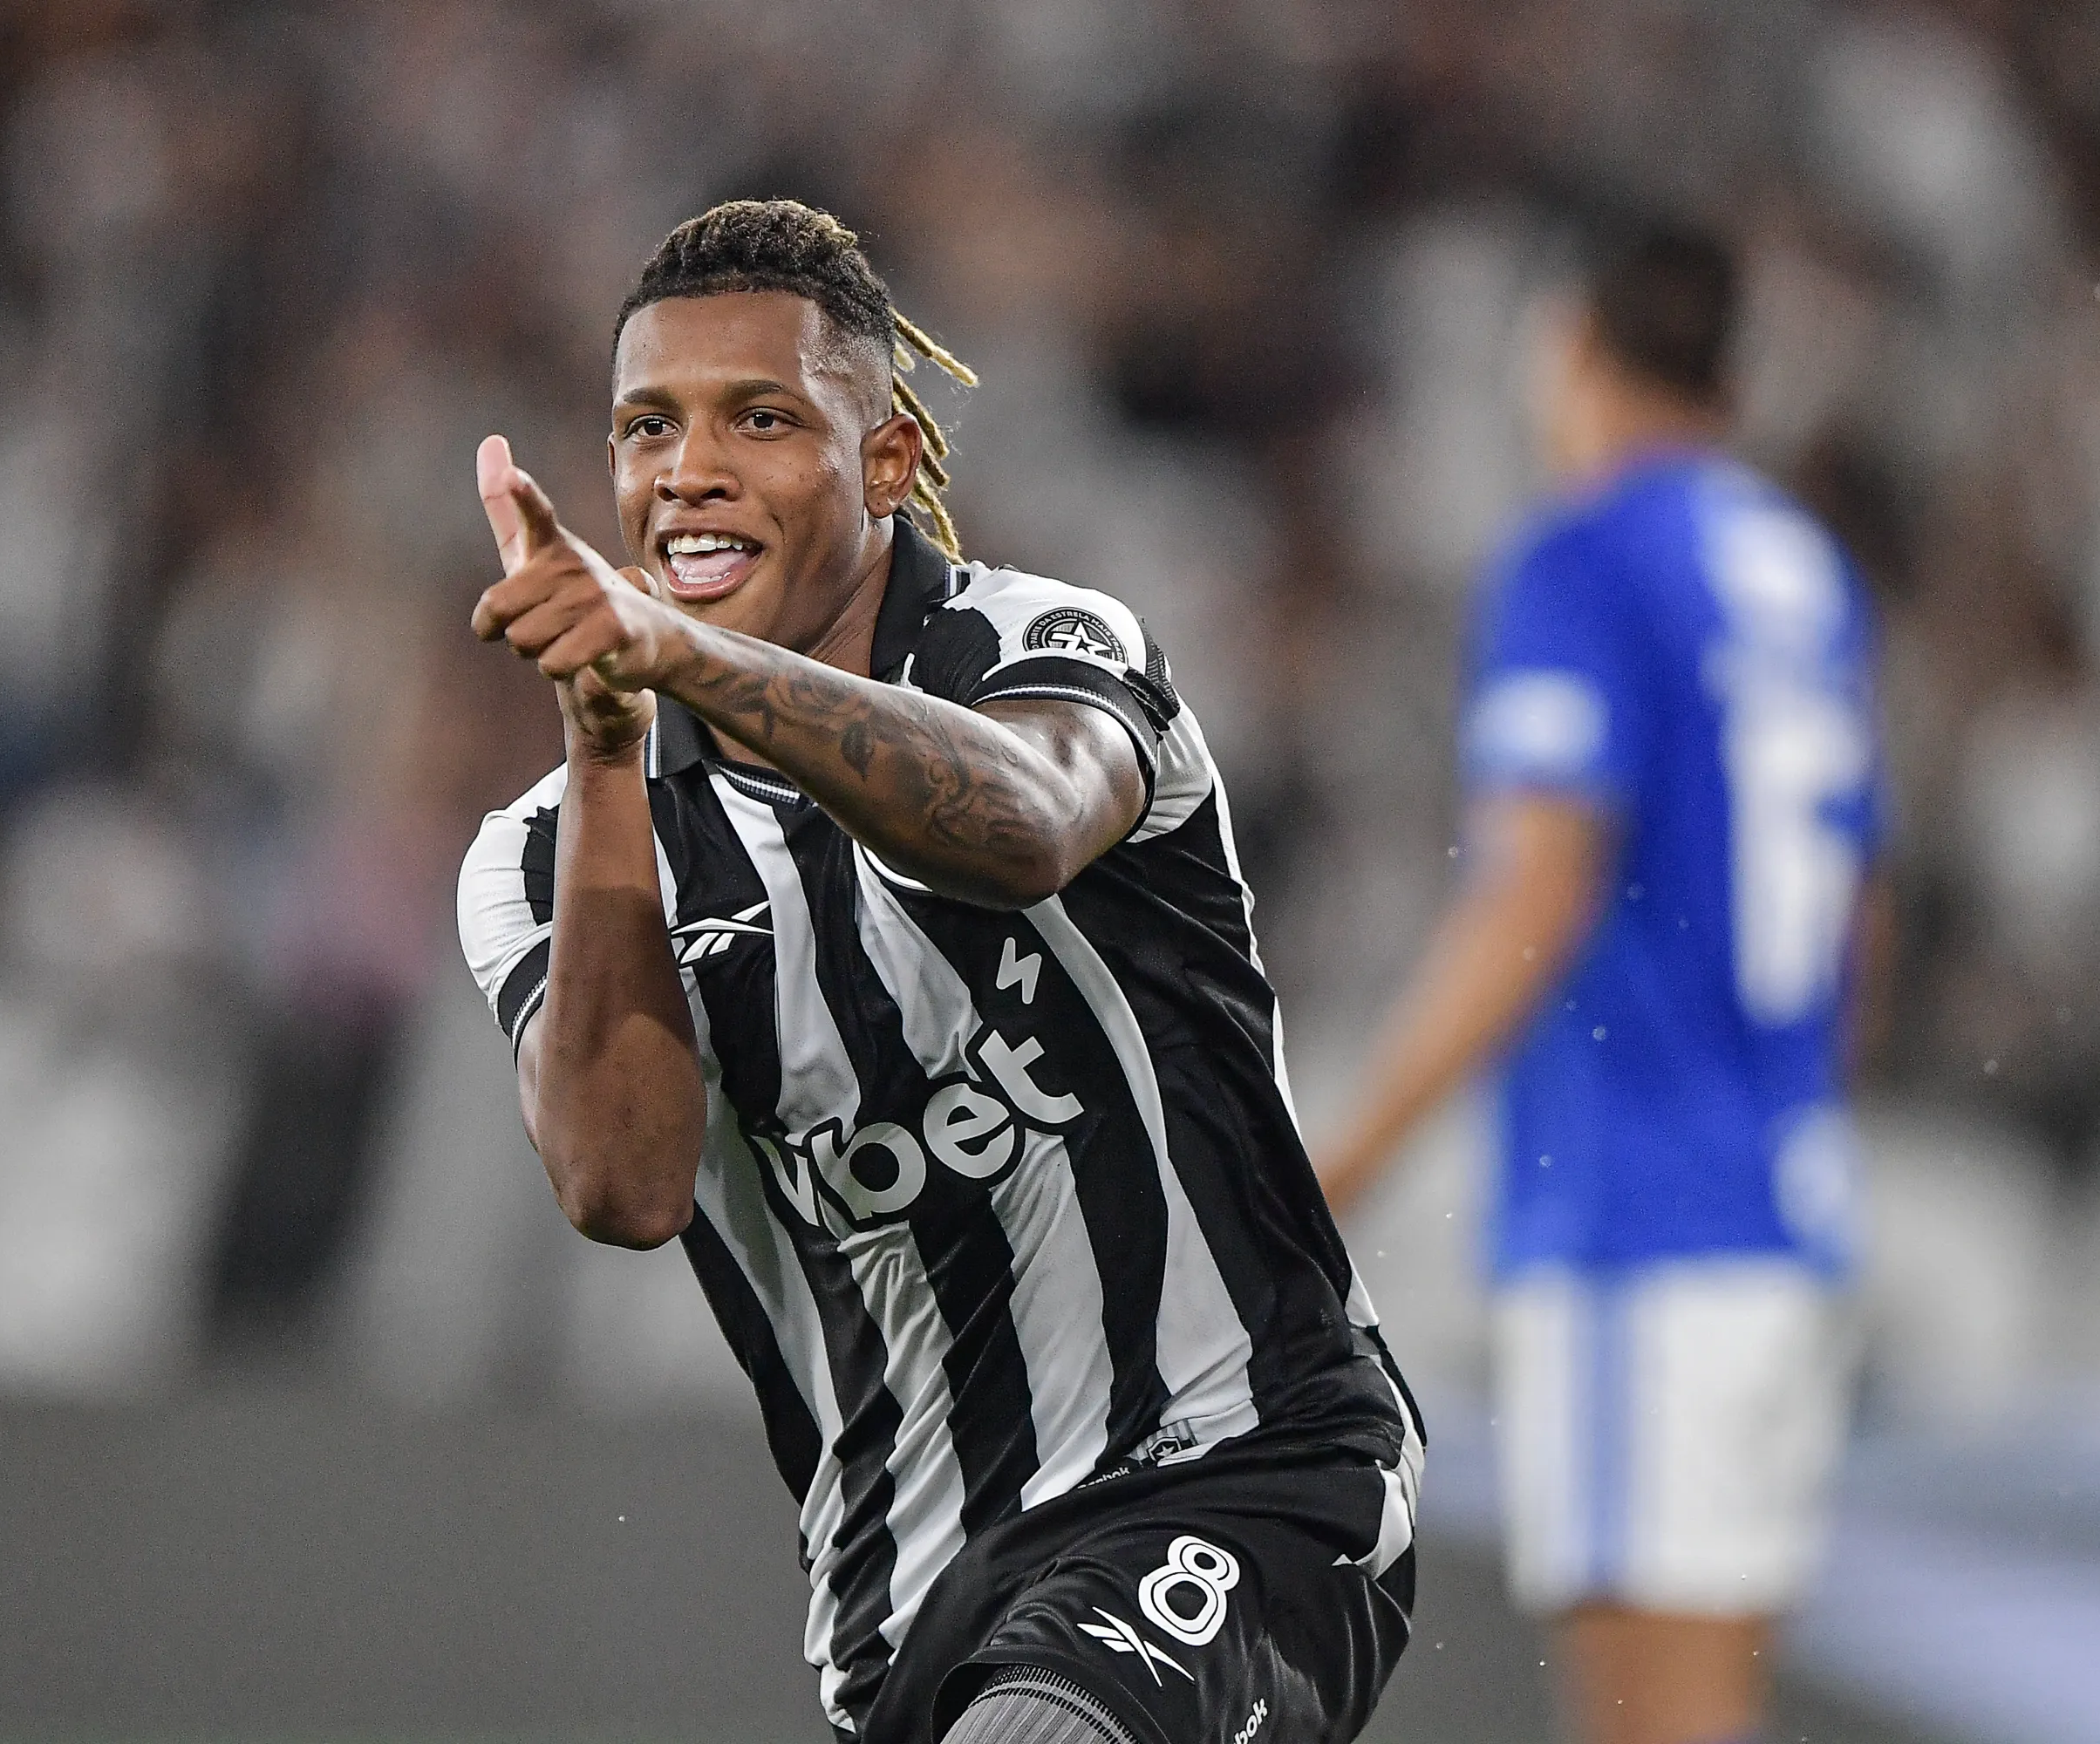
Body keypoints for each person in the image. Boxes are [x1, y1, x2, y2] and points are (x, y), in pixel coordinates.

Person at [454, 200, 1422, 1744]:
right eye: (649, 427)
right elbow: (622, 1186)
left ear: (890, 461)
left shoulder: (1042, 647)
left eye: (759, 419)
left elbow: (1030, 826)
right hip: (907, 1600)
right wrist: (608, 737)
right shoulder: (538, 855)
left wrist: (689, 658)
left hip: (1240, 1468)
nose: (688, 469)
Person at [1316, 224, 1885, 1744]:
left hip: (1644, 1206)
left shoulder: (1584, 555)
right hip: (1784, 1193)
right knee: (1708, 1707)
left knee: (1651, 1725)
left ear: (1574, 346)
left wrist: (1343, 1157)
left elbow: (1539, 889)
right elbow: (1857, 915)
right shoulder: (1800, 570)